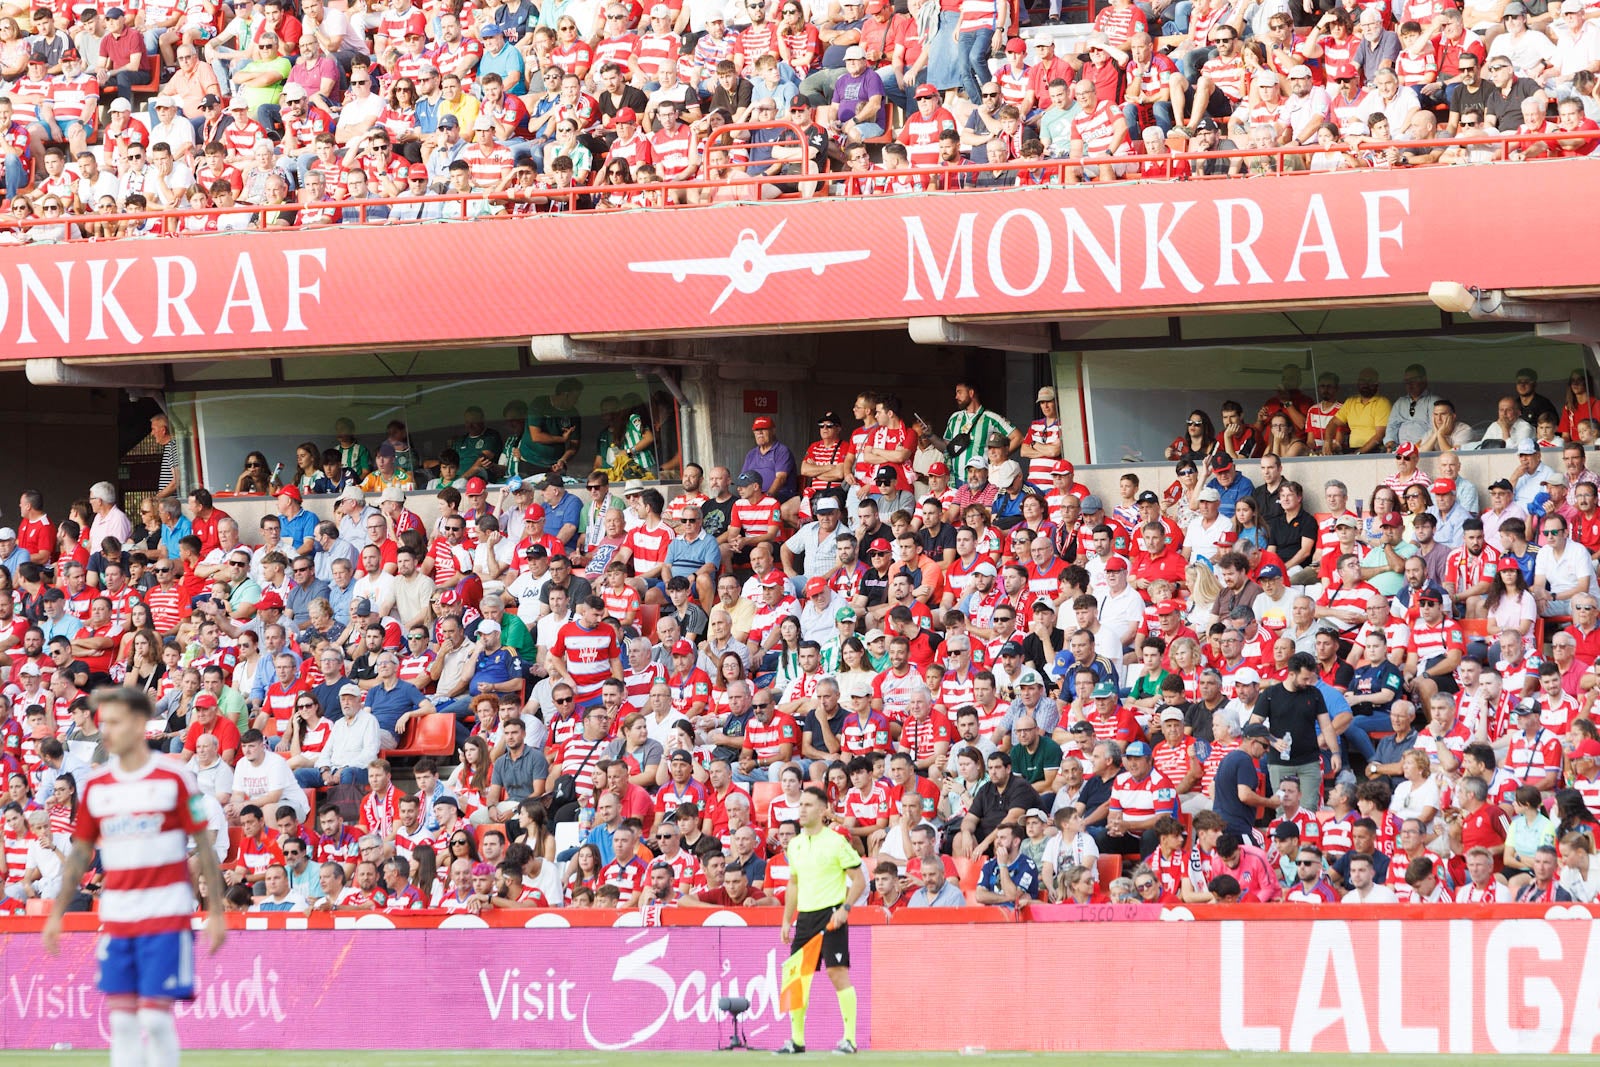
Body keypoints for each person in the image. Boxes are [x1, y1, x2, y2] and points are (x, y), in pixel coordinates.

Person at [41, 687, 227, 1067]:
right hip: (118, 916)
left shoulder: (177, 778)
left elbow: (204, 845)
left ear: (140, 723)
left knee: (156, 1021)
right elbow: (80, 853)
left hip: (166, 914)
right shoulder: (97, 786)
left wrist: (217, 911)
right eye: (104, 723)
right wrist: (57, 912)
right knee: (122, 1023)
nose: (106, 731)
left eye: (115, 722)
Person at [778, 786, 866, 1055]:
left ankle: (849, 1039)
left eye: (807, 805)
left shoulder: (836, 841)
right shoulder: (795, 844)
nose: (802, 810)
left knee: (836, 972)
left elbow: (859, 880)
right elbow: (793, 883)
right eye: (800, 805)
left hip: (831, 914)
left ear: (821, 810)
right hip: (805, 918)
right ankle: (796, 1041)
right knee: (796, 977)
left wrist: (846, 908)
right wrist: (787, 920)